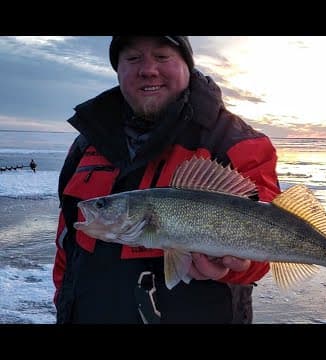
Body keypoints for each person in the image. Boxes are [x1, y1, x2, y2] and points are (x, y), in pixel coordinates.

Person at [52, 36, 280, 324]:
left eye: (161, 57)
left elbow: (271, 245)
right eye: (133, 59)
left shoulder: (239, 143)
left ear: (187, 65)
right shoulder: (86, 144)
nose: (148, 69)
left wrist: (235, 266)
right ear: (117, 69)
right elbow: (66, 245)